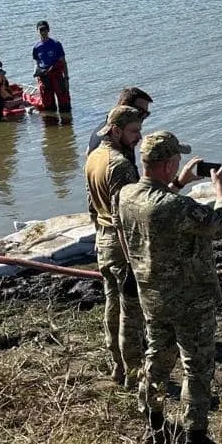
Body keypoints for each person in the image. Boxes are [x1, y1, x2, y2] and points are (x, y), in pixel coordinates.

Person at [117, 131, 222, 444]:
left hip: (152, 296)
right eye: (177, 161)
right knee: (196, 367)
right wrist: (221, 191)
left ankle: (154, 423)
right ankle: (195, 440)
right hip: (190, 300)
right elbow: (221, 224)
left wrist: (179, 183)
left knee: (157, 358)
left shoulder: (126, 195)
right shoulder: (177, 207)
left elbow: (155, 209)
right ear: (168, 163)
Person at [84, 105, 145, 388]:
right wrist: (134, 259)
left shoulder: (94, 156)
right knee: (131, 310)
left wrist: (100, 235)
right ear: (117, 130)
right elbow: (125, 216)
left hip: (103, 240)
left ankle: (117, 366)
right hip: (121, 244)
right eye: (134, 132)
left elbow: (91, 206)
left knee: (112, 303)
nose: (139, 138)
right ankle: (133, 371)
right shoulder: (119, 165)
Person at [87, 87, 153, 166]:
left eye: (146, 114)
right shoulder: (118, 141)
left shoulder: (100, 129)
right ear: (126, 108)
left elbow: (88, 154)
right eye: (141, 113)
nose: (143, 118)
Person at [32, 20, 72, 113]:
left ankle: (67, 125)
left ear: (48, 30)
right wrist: (37, 79)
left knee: (65, 105)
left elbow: (63, 62)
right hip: (45, 78)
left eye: (44, 29)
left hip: (57, 76)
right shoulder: (36, 47)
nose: (43, 32)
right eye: (40, 30)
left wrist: (66, 78)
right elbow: (37, 63)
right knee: (49, 107)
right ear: (37, 31)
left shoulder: (56, 44)